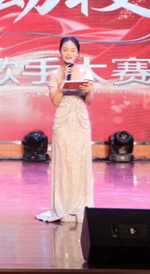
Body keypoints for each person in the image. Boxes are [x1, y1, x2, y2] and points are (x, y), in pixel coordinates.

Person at [35, 36, 94, 223]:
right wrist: (62, 84)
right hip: (63, 122)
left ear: (78, 53)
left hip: (80, 121)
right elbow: (54, 101)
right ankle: (63, 206)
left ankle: (80, 206)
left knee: (80, 162)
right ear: (60, 52)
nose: (69, 53)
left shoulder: (85, 72)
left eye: (72, 50)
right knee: (64, 162)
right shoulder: (54, 74)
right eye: (65, 50)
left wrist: (88, 91)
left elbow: (90, 101)